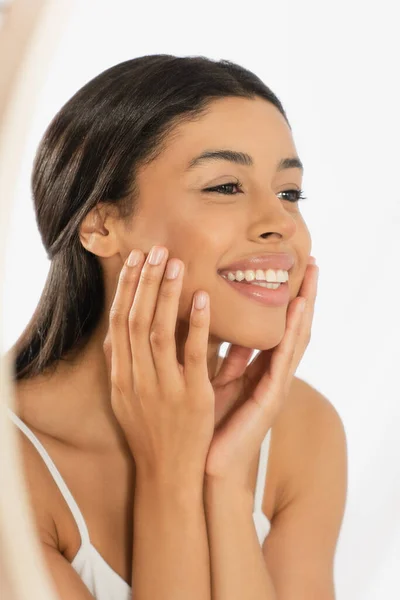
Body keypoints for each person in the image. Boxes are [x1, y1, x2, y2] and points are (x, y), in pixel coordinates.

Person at [4, 54, 347, 599]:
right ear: (100, 223)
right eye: (225, 187)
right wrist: (169, 477)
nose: (281, 224)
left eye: (289, 193)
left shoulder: (302, 430)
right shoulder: (12, 475)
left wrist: (227, 486)